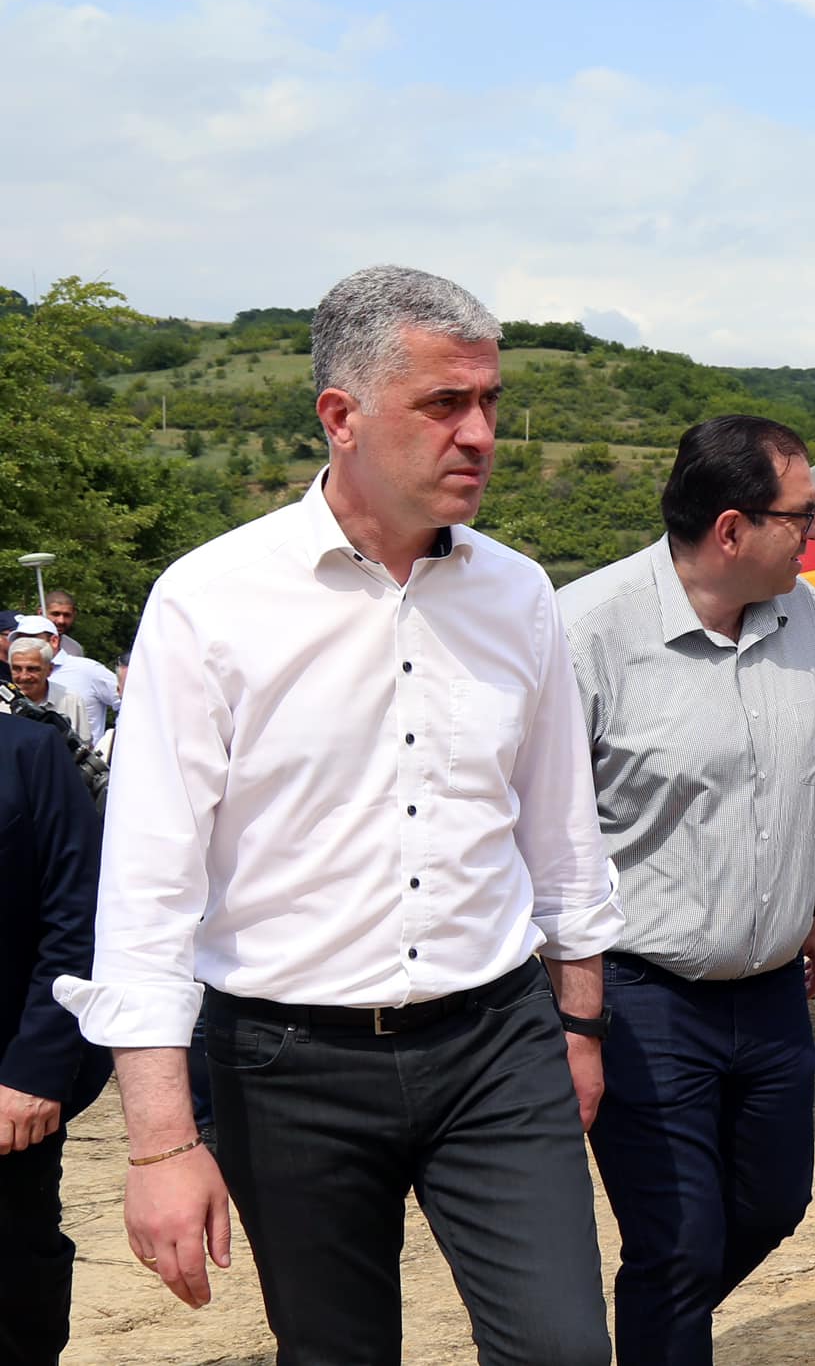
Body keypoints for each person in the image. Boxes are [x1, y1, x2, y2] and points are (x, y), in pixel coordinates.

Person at [54, 264, 624, 1366]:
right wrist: (161, 1142)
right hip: (286, 1061)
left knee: (562, 1346)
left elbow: (561, 835)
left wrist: (580, 1024)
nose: (480, 434)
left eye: (489, 402)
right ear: (341, 415)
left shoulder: (519, 595)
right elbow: (149, 890)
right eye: (444, 403)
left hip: (496, 1043)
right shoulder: (209, 602)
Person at [559, 413, 815, 1366]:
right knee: (677, 1244)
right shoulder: (586, 632)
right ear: (731, 529)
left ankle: (654, 1330)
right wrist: (573, 1012)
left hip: (771, 993)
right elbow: (545, 835)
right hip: (642, 996)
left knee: (773, 1203)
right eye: (802, 516)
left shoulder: (809, 619)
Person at [1, 711, 112, 1366]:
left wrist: (37, 1070)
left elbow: (79, 917)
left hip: (7, 1094)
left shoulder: (30, 753)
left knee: (14, 1278)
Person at [15, 614, 119, 741]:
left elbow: (128, 701)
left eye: (32, 640)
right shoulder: (14, 676)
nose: (25, 646)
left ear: (54, 641)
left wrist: (115, 742)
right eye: (19, 641)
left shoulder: (88, 669)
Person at [7, 637, 93, 743]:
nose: (24, 676)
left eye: (32, 669)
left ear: (50, 669)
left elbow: (85, 746)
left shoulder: (71, 701)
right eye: (17, 669)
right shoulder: (2, 705)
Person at [41, 590, 85, 658]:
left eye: (67, 615)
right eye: (55, 614)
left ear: (74, 615)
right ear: (41, 613)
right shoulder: (25, 643)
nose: (61, 621)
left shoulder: (75, 650)